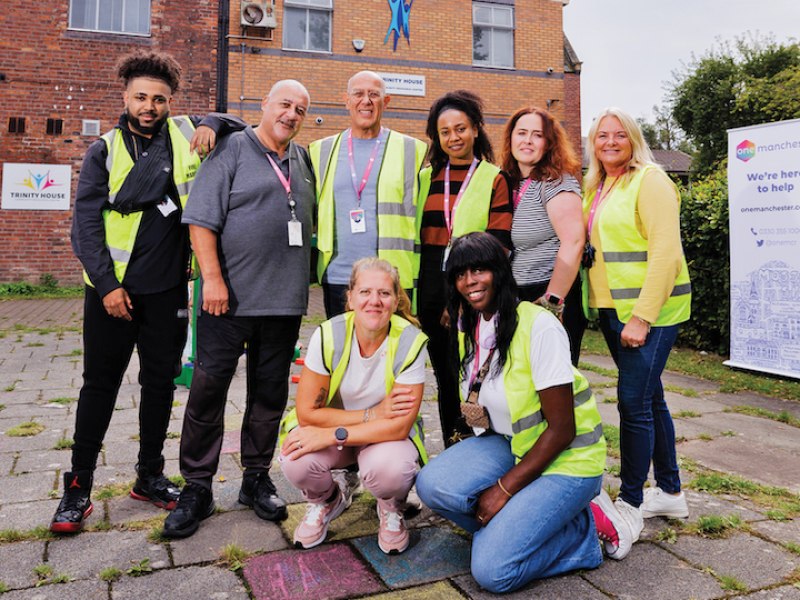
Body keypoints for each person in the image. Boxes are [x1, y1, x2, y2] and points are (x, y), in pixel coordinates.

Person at [51, 50, 246, 534]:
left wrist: (215, 122)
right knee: (100, 386)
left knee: (160, 385)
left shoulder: (184, 132)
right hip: (112, 294)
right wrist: (108, 286)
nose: (149, 106)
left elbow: (243, 126)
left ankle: (150, 476)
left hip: (167, 293)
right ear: (125, 97)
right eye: (141, 97)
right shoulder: (104, 149)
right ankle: (77, 487)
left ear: (170, 101)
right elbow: (85, 229)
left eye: (159, 99)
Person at [416, 232, 632, 593]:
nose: (470, 281)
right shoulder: (470, 324)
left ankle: (587, 530)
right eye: (460, 274)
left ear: (500, 271)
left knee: (493, 572)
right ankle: (527, 528)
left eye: (480, 269)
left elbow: (562, 429)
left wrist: (504, 489)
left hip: (568, 458)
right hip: (513, 443)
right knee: (432, 485)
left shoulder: (539, 326)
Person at [162, 80, 315, 539]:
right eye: (284, 104)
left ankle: (254, 478)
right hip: (225, 300)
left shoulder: (303, 159)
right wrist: (211, 279)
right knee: (208, 393)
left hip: (284, 304)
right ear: (264, 105)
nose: (291, 114)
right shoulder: (230, 148)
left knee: (269, 396)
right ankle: (197, 487)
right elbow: (201, 220)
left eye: (301, 109)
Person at [582, 108, 692, 542]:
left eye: (619, 135)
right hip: (614, 311)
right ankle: (669, 491)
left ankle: (629, 501)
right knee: (651, 398)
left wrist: (642, 317)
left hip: (650, 313)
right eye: (602, 136)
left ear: (633, 139)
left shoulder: (651, 180)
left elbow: (666, 254)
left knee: (633, 405)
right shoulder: (601, 184)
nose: (610, 142)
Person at [278, 258, 428, 554]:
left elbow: (398, 426)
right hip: (354, 431)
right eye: (365, 292)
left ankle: (390, 505)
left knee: (390, 469)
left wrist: (333, 434)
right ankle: (326, 499)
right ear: (350, 298)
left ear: (397, 300)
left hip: (383, 440)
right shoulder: (328, 334)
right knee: (294, 457)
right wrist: (372, 413)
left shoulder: (410, 341)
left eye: (384, 293)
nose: (375, 301)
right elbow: (307, 412)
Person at [416, 89, 513, 446]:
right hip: (427, 284)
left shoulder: (494, 178)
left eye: (461, 128)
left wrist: (461, 297)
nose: (453, 137)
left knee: (472, 374)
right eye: (445, 131)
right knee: (443, 376)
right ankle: (454, 449)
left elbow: (500, 242)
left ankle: (483, 450)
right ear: (436, 136)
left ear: (475, 130)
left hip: (471, 287)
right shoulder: (424, 178)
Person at [311, 71, 428, 318]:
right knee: (342, 354)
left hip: (391, 279)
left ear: (386, 102)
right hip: (339, 278)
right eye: (359, 94)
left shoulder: (411, 150)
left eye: (374, 94)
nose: (366, 101)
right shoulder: (321, 150)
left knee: (391, 355)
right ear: (346, 100)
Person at [501, 107, 586, 366]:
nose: (527, 140)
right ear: (511, 139)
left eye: (537, 135)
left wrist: (553, 301)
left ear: (548, 144)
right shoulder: (506, 182)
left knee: (552, 386)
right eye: (521, 133)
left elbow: (573, 242)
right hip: (514, 295)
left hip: (549, 294)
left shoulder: (556, 183)